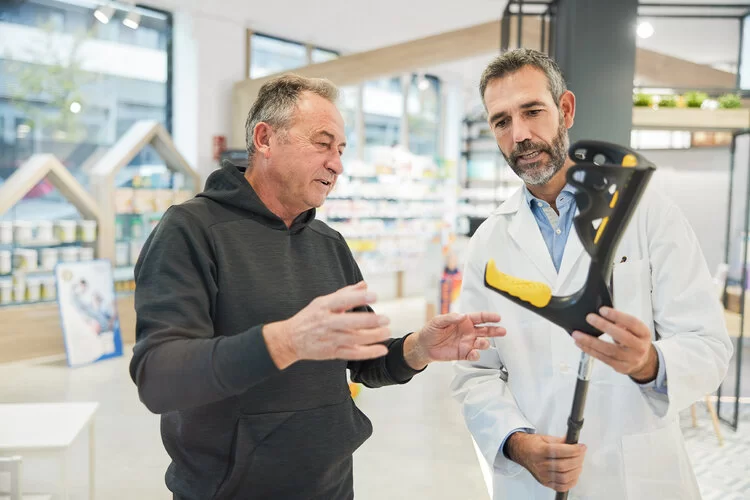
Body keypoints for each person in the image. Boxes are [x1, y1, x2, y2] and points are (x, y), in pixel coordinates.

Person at [129, 74, 505, 500]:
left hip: (331, 486)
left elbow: (364, 361)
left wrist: (419, 348)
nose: (337, 164)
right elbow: (158, 377)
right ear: (265, 139)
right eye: (322, 144)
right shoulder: (191, 231)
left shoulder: (327, 243)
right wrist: (285, 341)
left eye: (341, 150)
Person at [450, 48, 732, 500]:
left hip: (637, 477)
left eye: (532, 111)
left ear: (565, 110)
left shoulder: (647, 212)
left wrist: (647, 363)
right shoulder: (489, 241)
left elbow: (709, 345)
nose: (519, 134)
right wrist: (517, 444)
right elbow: (475, 372)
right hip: (534, 483)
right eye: (501, 121)